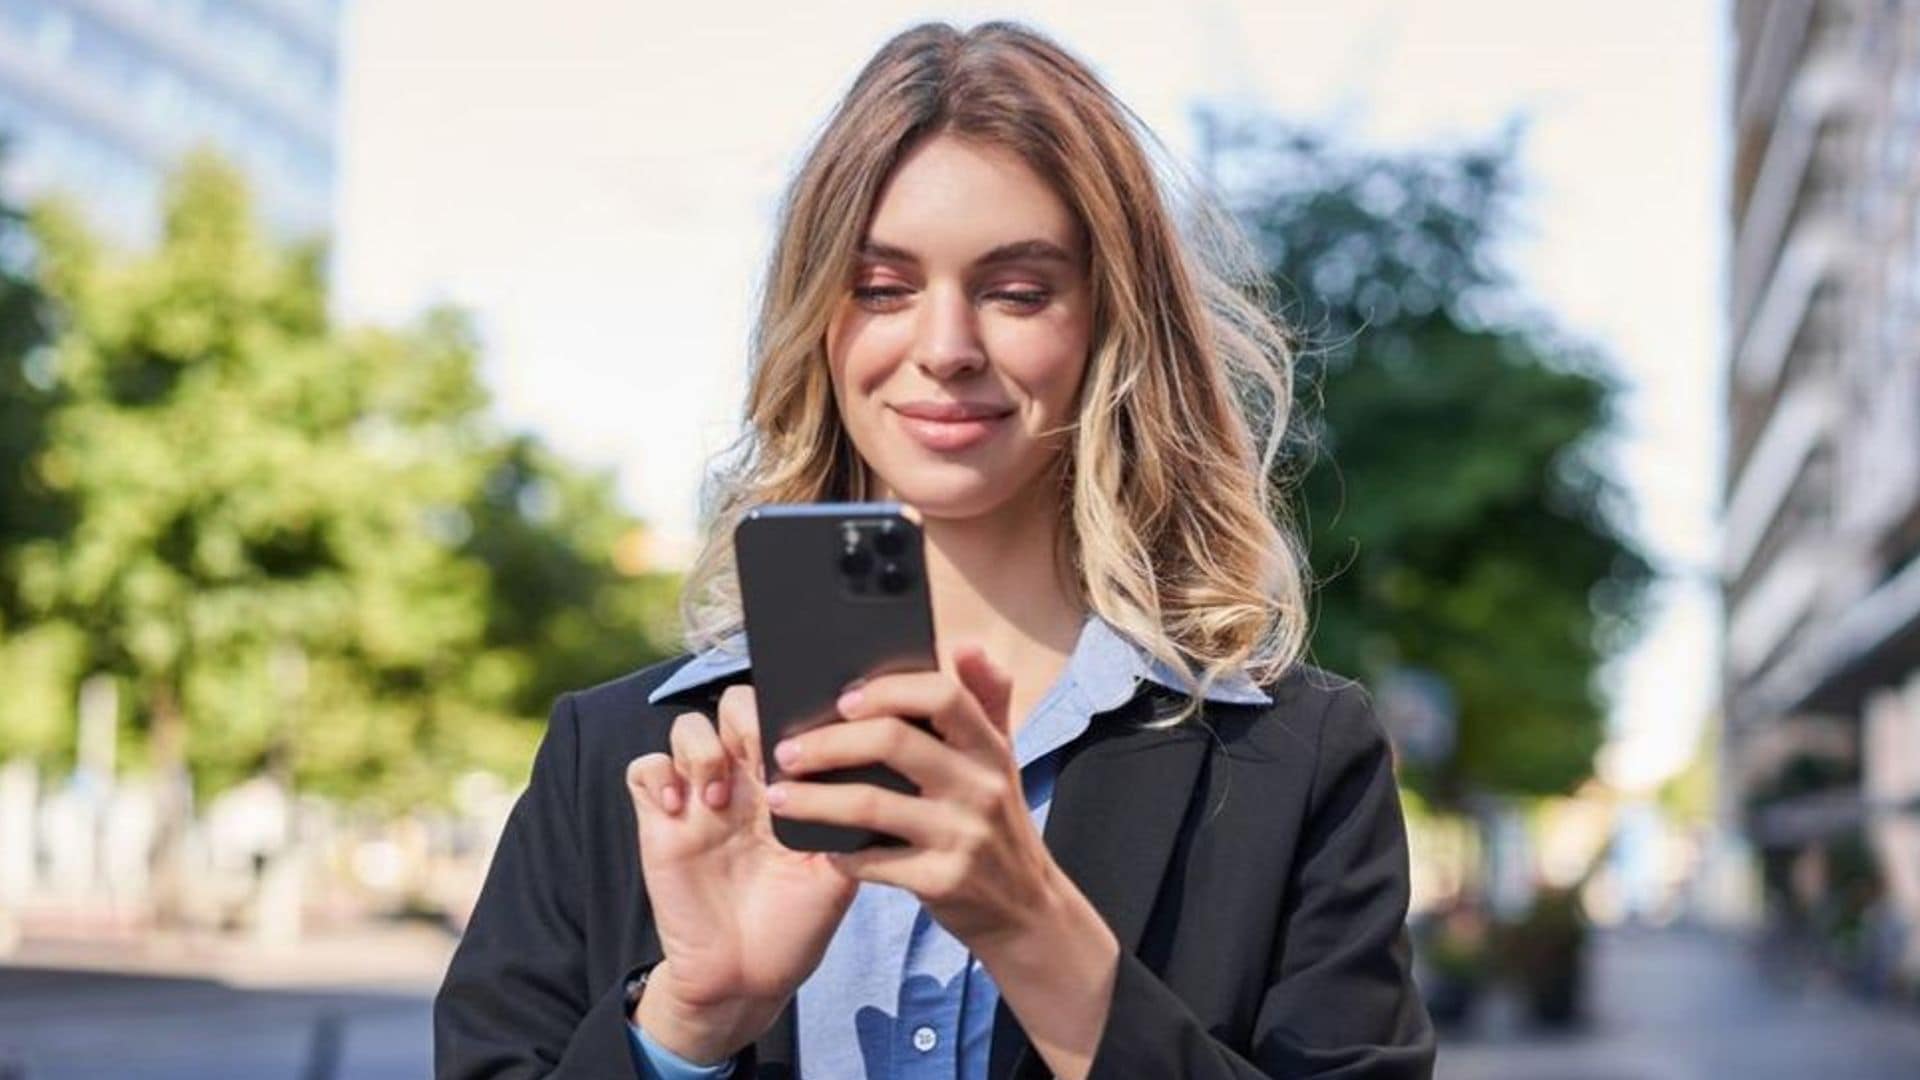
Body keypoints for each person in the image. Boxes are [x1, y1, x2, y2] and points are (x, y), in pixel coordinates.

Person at [434, 19, 1435, 1080]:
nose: (946, 348)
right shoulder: (622, 755)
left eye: (1016, 290)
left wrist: (1032, 926)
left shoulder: (1296, 760)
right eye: (881, 288)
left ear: (1108, 323)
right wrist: (688, 1025)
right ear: (818, 319)